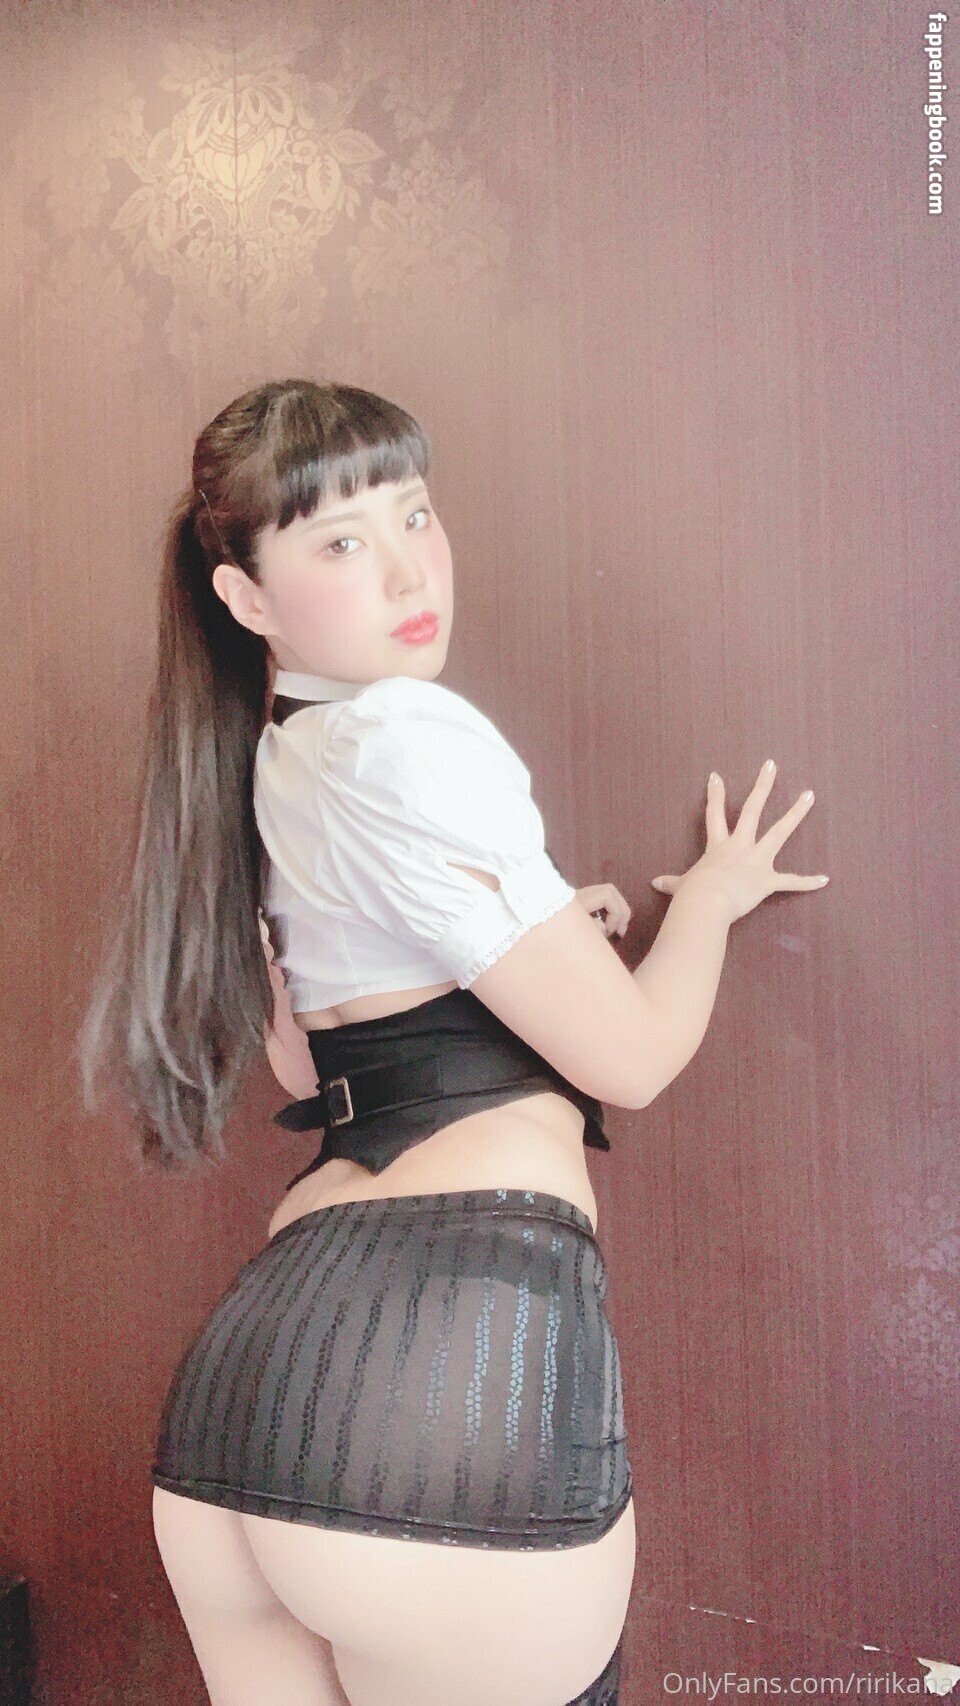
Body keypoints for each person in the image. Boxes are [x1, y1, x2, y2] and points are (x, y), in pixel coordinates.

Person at [76, 379, 827, 1705]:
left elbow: (314, 1066)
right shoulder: (411, 731)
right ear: (246, 595)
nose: (409, 567)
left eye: (414, 514)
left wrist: (543, 933)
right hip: (452, 1388)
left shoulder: (264, 764)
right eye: (341, 540)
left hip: (243, 1401)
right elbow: (633, 1057)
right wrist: (706, 900)